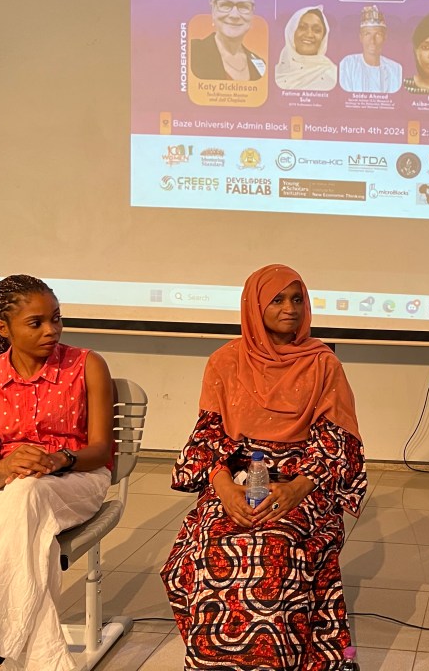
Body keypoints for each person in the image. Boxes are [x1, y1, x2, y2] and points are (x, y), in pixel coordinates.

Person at [162, 264, 365, 670]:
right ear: (254, 307)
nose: (290, 308)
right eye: (277, 300)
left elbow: (336, 440)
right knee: (209, 546)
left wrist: (296, 489)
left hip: (303, 480)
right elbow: (209, 434)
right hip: (235, 477)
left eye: (297, 299)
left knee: (275, 547)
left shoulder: (322, 363)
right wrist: (223, 489)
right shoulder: (225, 361)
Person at [0, 276, 114, 671]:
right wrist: (8, 465)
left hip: (79, 478)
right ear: (3, 328)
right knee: (31, 529)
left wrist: (60, 460)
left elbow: (101, 451)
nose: (51, 330)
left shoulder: (87, 365)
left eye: (56, 318)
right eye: (36, 323)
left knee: (27, 497)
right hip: (9, 490)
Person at [190, 0, 267, 81]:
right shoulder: (192, 52)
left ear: (252, 12)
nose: (234, 15)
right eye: (225, 4)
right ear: (213, 9)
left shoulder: (260, 66)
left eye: (243, 6)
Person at [338, 5, 402, 93]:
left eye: (378, 34)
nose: (372, 41)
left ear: (385, 37)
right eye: (367, 34)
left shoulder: (396, 69)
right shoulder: (348, 64)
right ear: (360, 37)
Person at [275, 6, 338, 91]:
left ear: (323, 37)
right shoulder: (274, 73)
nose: (309, 34)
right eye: (302, 28)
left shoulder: (333, 75)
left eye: (316, 30)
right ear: (291, 32)